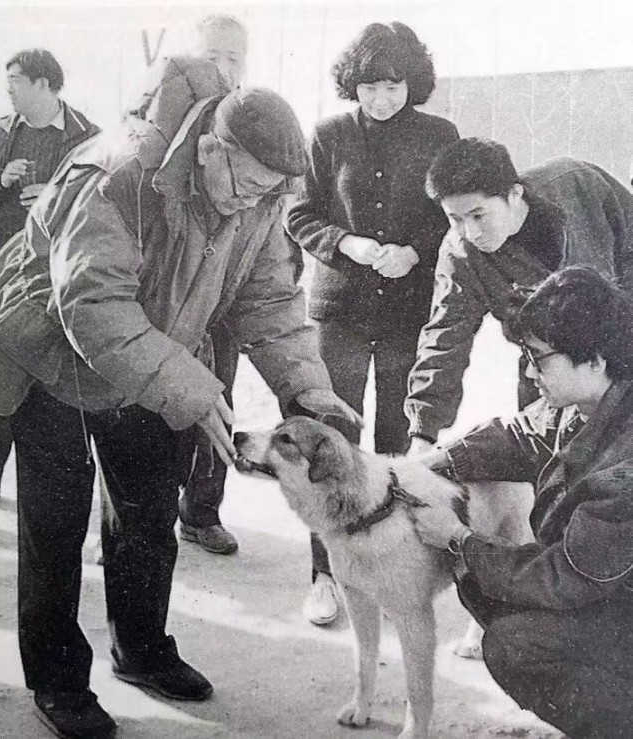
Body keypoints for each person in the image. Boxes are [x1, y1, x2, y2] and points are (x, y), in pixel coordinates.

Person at [0, 58, 359, 738]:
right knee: (55, 524)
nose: (252, 201)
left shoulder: (257, 198)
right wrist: (190, 386)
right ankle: (59, 681)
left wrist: (307, 386)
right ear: (211, 148)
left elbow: (268, 298)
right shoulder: (118, 176)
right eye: (246, 184)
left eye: (268, 192)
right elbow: (93, 303)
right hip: (53, 353)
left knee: (149, 512)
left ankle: (142, 650)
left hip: (153, 353)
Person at [411, 266, 633, 737]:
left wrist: (460, 541)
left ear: (594, 360)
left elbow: (565, 577)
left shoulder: (625, 468)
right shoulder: (592, 401)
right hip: (613, 599)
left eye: (539, 359)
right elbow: (522, 433)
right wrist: (435, 462)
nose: (530, 373)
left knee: (516, 644)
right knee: (492, 592)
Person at [286, 21, 458, 625]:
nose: (382, 98)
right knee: (329, 440)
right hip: (342, 312)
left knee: (395, 439)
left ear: (414, 82)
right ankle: (325, 574)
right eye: (369, 86)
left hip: (410, 311)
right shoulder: (328, 135)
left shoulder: (440, 136)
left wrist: (416, 250)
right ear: (351, 85)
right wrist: (345, 243)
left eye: (393, 85)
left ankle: (390, 568)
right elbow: (299, 214)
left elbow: (450, 214)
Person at [404, 137, 633, 456]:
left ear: (514, 194)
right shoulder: (460, 254)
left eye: (478, 215)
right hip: (546, 368)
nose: (471, 233)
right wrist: (423, 434)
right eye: (455, 219)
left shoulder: (578, 184)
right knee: (547, 463)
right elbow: (444, 339)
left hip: (621, 348)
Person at [0, 48, 99, 501]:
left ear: (43, 83)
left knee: (36, 377)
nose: (8, 88)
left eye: (15, 79)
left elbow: (99, 200)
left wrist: (55, 197)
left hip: (52, 274)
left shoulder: (87, 137)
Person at [178, 13, 248, 555]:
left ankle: (202, 512)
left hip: (223, 304)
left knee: (217, 402)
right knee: (139, 411)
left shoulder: (253, 122)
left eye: (233, 59)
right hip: (164, 301)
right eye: (211, 57)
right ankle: (134, 520)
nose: (223, 70)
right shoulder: (161, 123)